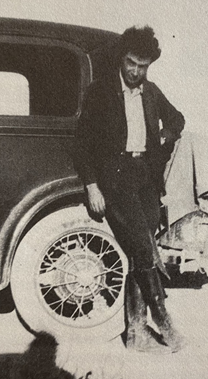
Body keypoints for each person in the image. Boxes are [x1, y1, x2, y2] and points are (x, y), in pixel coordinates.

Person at [73, 26, 185, 354]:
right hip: (115, 179)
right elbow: (81, 144)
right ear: (122, 58)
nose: (136, 71)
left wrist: (166, 136)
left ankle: (136, 334)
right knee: (143, 248)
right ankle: (164, 322)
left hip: (145, 179)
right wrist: (92, 185)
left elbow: (177, 118)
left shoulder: (151, 92)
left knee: (140, 254)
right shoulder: (101, 91)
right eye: (132, 63)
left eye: (144, 66)